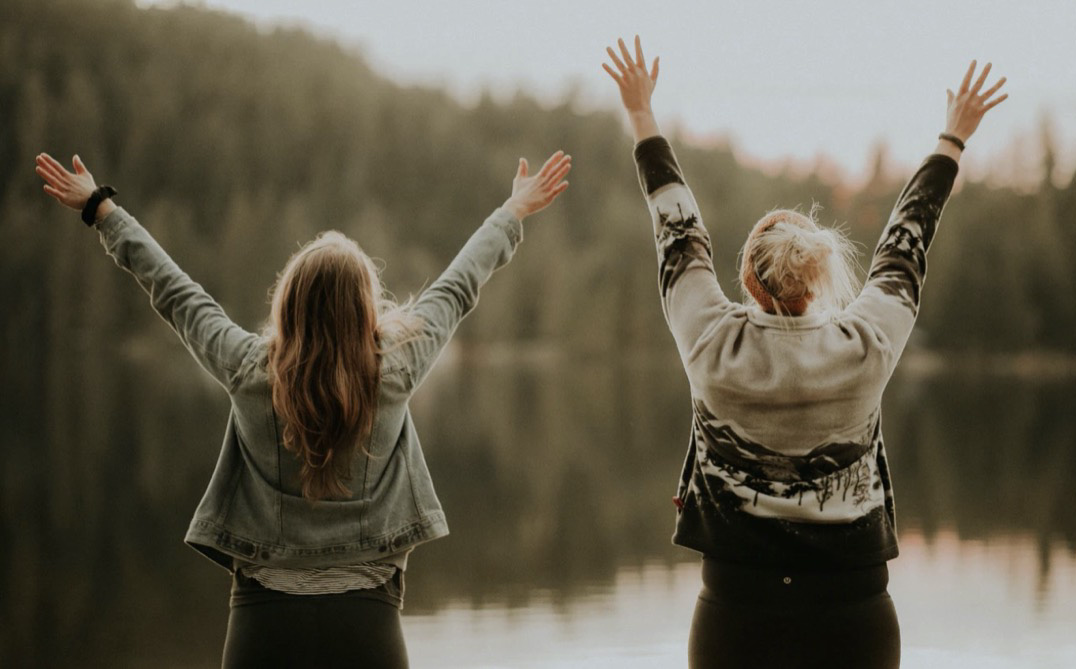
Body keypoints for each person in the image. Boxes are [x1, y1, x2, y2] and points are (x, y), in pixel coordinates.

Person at [34, 148, 571, 668]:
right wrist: (513, 210)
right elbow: (457, 287)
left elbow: (176, 292)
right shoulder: (394, 372)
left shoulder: (248, 369)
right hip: (368, 622)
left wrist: (100, 209)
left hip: (262, 621)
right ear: (365, 307)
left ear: (287, 302)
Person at [603, 36, 1006, 668]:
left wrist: (642, 115)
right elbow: (906, 244)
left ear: (749, 282)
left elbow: (676, 229)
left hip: (737, 608)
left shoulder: (712, 340)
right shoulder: (864, 345)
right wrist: (951, 139)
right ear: (817, 279)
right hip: (854, 609)